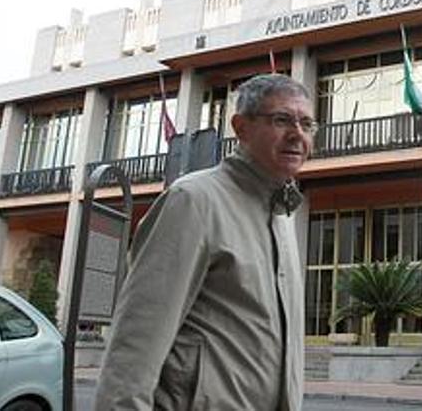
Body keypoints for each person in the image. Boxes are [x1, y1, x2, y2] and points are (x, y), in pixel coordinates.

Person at [95, 74, 313, 411]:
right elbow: (134, 347)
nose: (297, 134)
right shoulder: (193, 201)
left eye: (306, 123)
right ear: (241, 128)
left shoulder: (282, 215)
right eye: (281, 119)